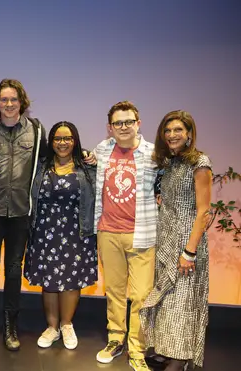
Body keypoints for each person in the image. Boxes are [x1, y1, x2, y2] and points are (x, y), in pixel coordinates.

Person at [0, 78, 48, 351]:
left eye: (13, 99)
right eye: (3, 100)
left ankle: (9, 326)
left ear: (21, 102)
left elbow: (51, 161)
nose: (8, 104)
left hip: (20, 212)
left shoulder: (37, 131)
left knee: (14, 270)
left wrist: (84, 155)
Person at [140, 110, 212, 370]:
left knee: (182, 302)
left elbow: (204, 210)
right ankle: (166, 350)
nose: (172, 135)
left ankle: (180, 359)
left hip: (187, 241)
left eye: (178, 130)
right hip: (166, 238)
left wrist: (190, 251)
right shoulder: (169, 162)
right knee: (167, 300)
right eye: (168, 130)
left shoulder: (199, 162)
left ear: (189, 133)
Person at [94, 101, 158, 371]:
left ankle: (137, 348)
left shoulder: (154, 154)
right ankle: (115, 338)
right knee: (115, 291)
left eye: (128, 121)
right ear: (110, 127)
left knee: (142, 294)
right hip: (108, 231)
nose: (123, 127)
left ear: (138, 123)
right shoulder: (102, 149)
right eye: (118, 123)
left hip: (142, 233)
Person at [24, 121, 97, 350]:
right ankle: (52, 327)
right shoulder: (40, 166)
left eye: (67, 138)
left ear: (75, 141)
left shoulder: (86, 167)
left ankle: (67, 325)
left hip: (77, 232)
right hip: (45, 231)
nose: (62, 143)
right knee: (49, 280)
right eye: (57, 138)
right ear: (51, 142)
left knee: (71, 281)